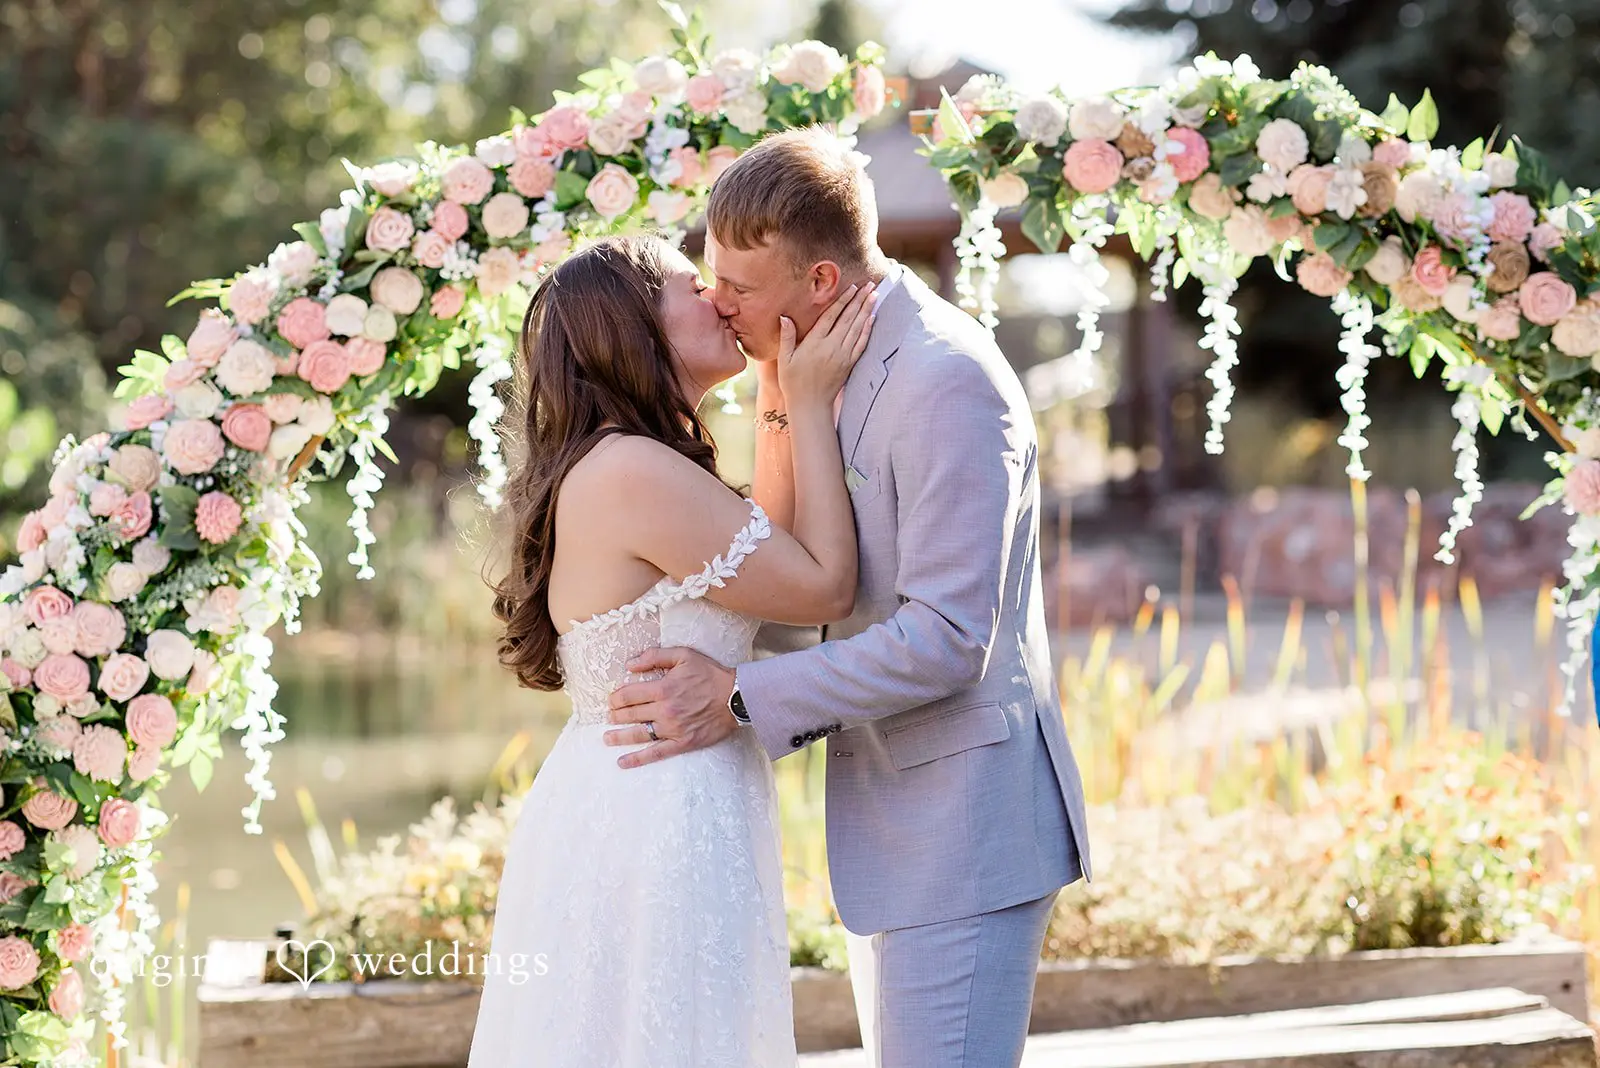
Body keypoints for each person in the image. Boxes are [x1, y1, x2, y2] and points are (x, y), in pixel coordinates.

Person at [604, 128, 1093, 1068]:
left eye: (739, 288)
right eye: (711, 279)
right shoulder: (820, 366)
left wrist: (736, 695)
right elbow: (807, 576)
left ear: (821, 282)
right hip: (893, 826)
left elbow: (951, 637)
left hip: (962, 834)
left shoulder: (945, 380)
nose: (716, 301)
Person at [466, 233, 876, 1067]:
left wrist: (772, 382)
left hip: (651, 796)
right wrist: (805, 395)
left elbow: (774, 540)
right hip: (655, 816)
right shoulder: (632, 471)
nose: (723, 298)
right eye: (698, 285)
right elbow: (824, 584)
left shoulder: (628, 460)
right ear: (634, 325)